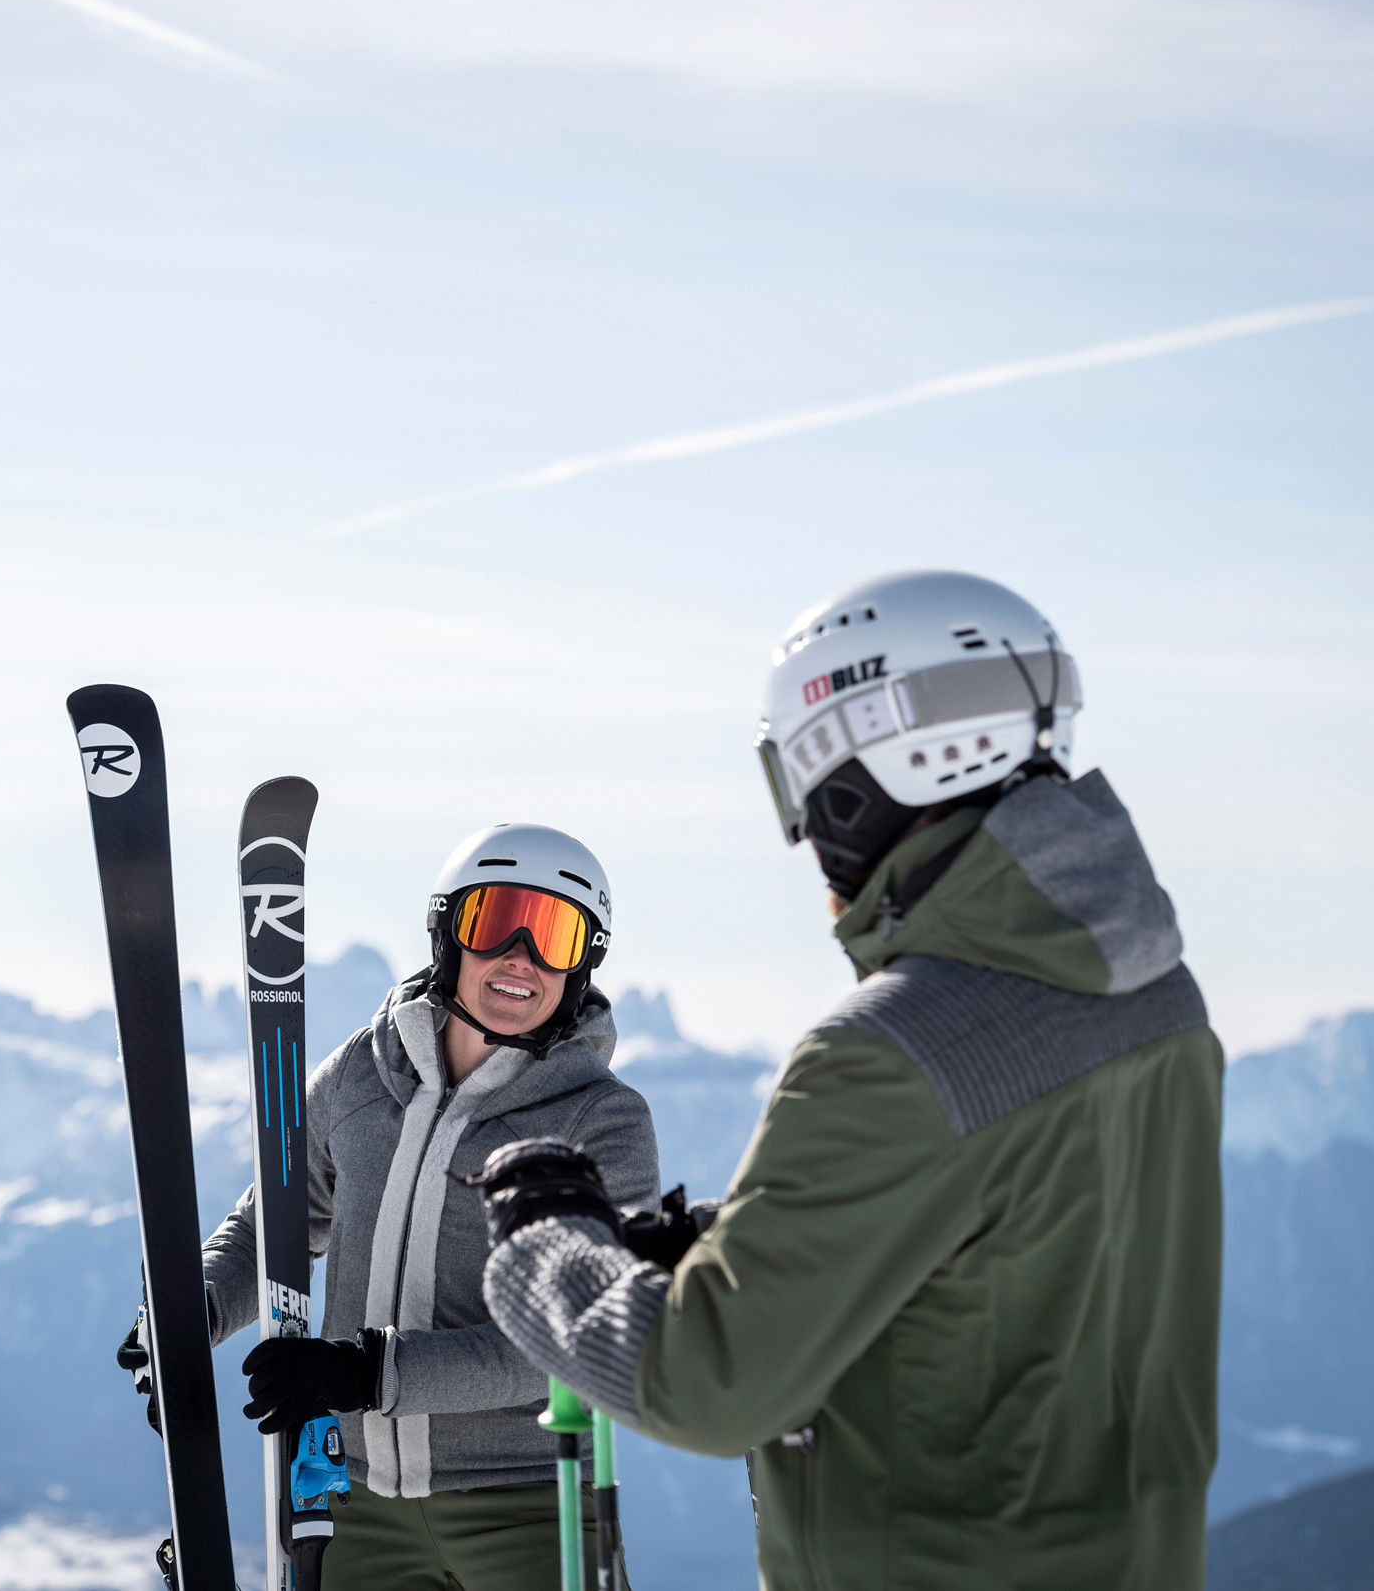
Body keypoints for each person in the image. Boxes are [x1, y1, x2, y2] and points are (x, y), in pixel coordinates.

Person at [475, 570, 1223, 1591]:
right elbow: (1021, 1247)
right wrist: (753, 1249)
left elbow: (709, 1385)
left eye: (795, 775)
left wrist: (546, 1247)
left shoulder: (885, 1051)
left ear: (860, 765)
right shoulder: (1153, 995)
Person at [184, 823, 659, 1591]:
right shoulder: (362, 1073)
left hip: (530, 1503)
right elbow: (276, 1220)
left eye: (554, 936)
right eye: (495, 921)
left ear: (583, 964)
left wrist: (370, 1372)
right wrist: (192, 1309)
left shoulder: (601, 1118)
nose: (521, 957)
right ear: (447, 932)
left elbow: (582, 1334)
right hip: (360, 1504)